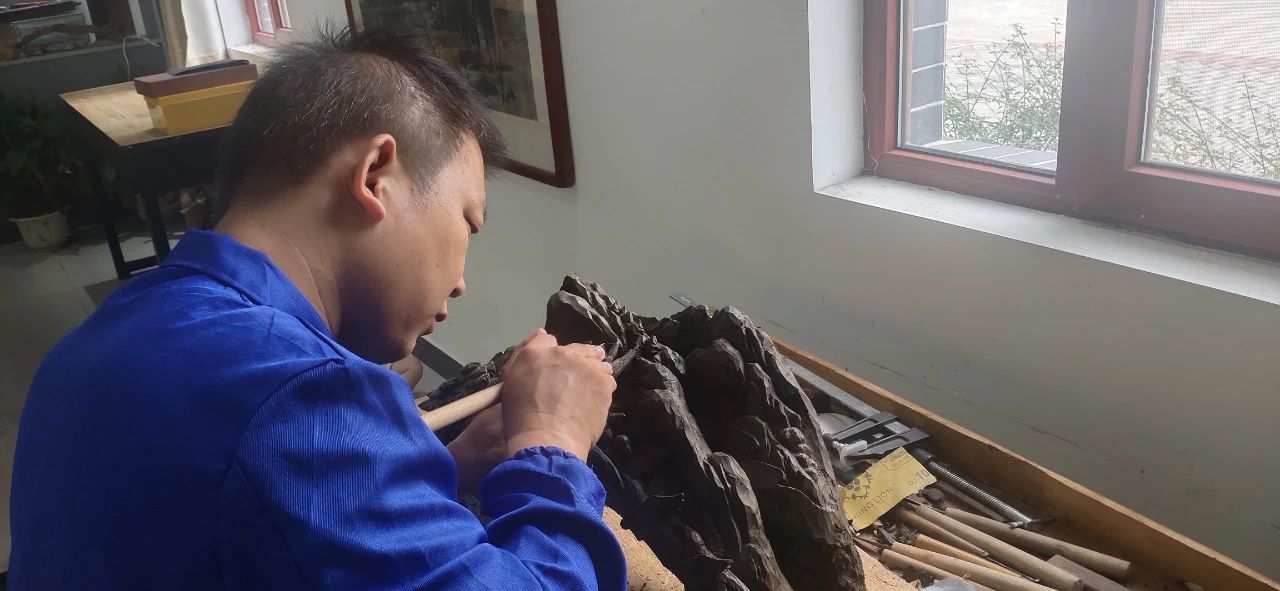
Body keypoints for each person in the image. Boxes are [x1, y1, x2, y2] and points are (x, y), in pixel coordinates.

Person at [10, 30, 625, 590]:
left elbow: (243, 515)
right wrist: (552, 442)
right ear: (375, 175)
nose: (461, 283)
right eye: (468, 222)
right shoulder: (300, 393)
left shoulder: (104, 334)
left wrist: (432, 467)